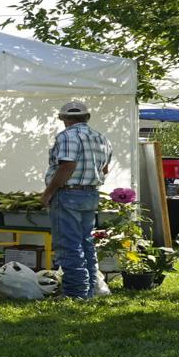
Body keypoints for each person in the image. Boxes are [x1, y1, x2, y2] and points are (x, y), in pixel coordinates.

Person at [39, 100, 112, 300]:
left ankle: (75, 292)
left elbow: (67, 166)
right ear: (87, 117)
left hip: (68, 193)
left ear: (63, 118)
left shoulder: (67, 136)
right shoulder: (101, 138)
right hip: (90, 193)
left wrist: (47, 193)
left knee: (68, 244)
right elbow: (104, 169)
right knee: (85, 242)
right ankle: (90, 289)